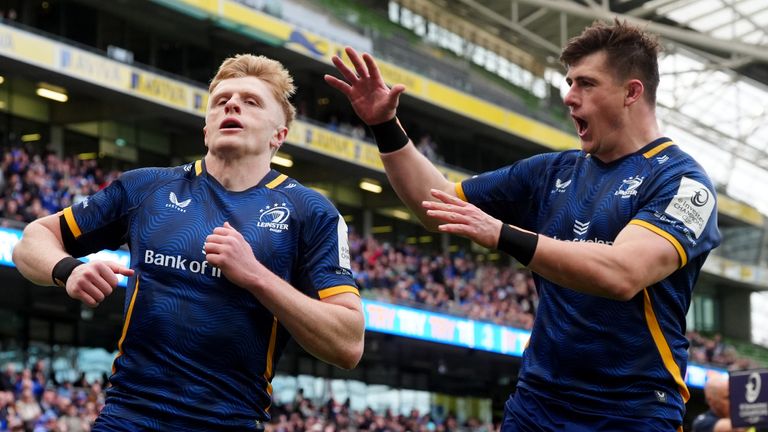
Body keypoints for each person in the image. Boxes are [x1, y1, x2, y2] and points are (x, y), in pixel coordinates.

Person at [326, 19, 720, 431]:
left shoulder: (683, 183)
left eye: (586, 84)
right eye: (569, 82)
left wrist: (502, 234)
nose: (569, 97)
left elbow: (622, 273)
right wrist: (385, 127)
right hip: (537, 403)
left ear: (631, 92)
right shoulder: (552, 172)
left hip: (631, 411)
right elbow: (437, 204)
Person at [13, 54, 365, 431]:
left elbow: (348, 344)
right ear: (206, 129)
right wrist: (67, 270)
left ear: (278, 135)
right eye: (221, 100)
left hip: (229, 423)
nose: (232, 105)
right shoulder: (145, 188)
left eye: (251, 101)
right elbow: (32, 240)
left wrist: (256, 276)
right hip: (127, 417)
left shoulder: (311, 212)